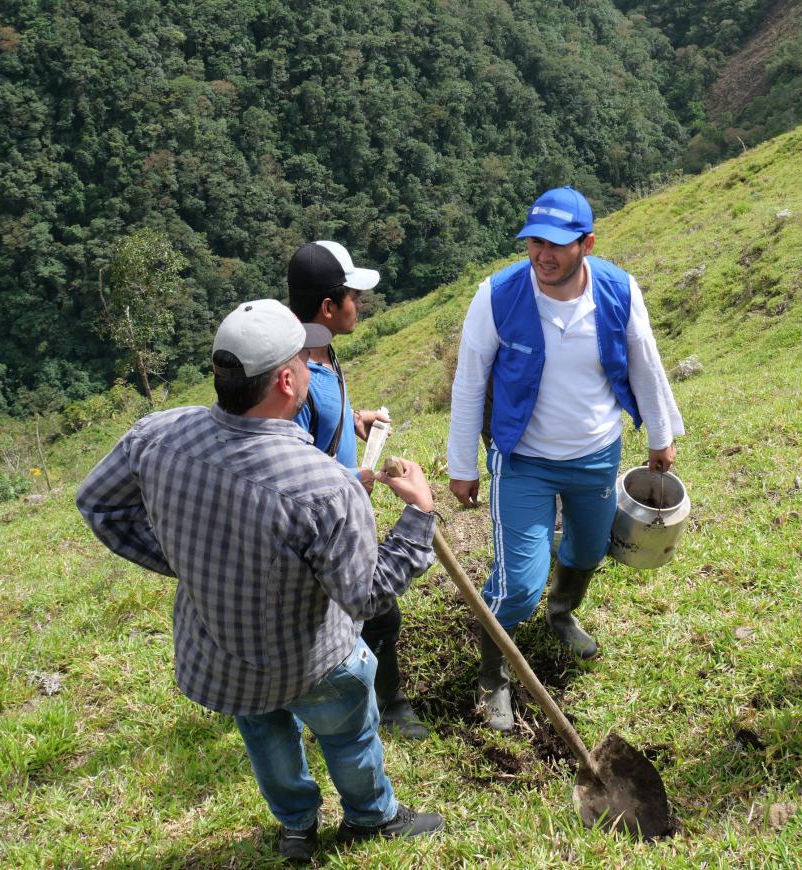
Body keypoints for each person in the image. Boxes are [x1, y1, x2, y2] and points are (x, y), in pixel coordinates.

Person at [76, 299, 444, 862]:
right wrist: (418, 514)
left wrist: (180, 560)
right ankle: (371, 818)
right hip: (313, 659)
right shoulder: (325, 487)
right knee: (348, 736)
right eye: (304, 361)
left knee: (267, 739)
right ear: (287, 380)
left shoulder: (157, 436)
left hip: (225, 655)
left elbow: (98, 504)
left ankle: (297, 828)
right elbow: (366, 595)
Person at [446, 186, 685, 732]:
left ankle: (562, 613)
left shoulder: (618, 291)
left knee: (590, 548)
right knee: (519, 584)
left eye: (556, 243)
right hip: (523, 459)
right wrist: (462, 465)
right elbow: (469, 381)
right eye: (535, 241)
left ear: (587, 244)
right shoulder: (497, 296)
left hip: (596, 454)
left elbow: (645, 365)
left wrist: (661, 435)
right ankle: (493, 675)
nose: (543, 254)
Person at [286, 240, 430, 741]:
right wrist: (355, 481)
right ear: (329, 307)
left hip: (347, 516)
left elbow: (322, 422)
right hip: (325, 528)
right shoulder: (295, 379)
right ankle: (376, 706)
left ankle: (379, 698)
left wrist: (353, 419)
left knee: (374, 615)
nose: (361, 304)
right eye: (354, 296)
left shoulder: (320, 352)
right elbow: (289, 470)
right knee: (368, 615)